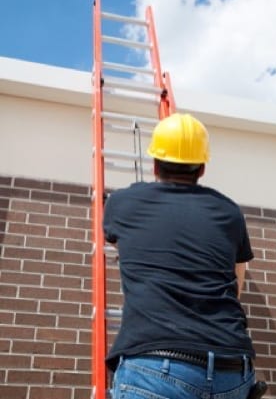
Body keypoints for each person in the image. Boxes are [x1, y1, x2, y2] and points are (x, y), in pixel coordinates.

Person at [103, 113, 256, 399]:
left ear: (154, 163)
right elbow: (237, 283)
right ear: (202, 168)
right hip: (231, 368)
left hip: (154, 368)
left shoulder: (122, 204)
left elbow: (123, 247)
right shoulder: (229, 212)